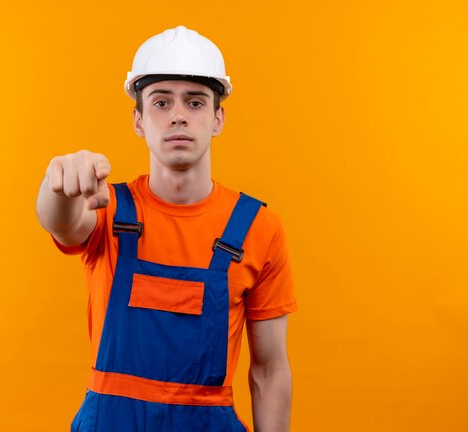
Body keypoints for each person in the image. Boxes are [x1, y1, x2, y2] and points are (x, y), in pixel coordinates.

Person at [36, 25, 297, 432]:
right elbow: (61, 223)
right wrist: (59, 184)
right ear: (138, 120)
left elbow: (269, 371)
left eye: (195, 102)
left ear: (217, 119)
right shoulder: (105, 209)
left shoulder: (257, 228)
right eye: (161, 102)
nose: (177, 114)